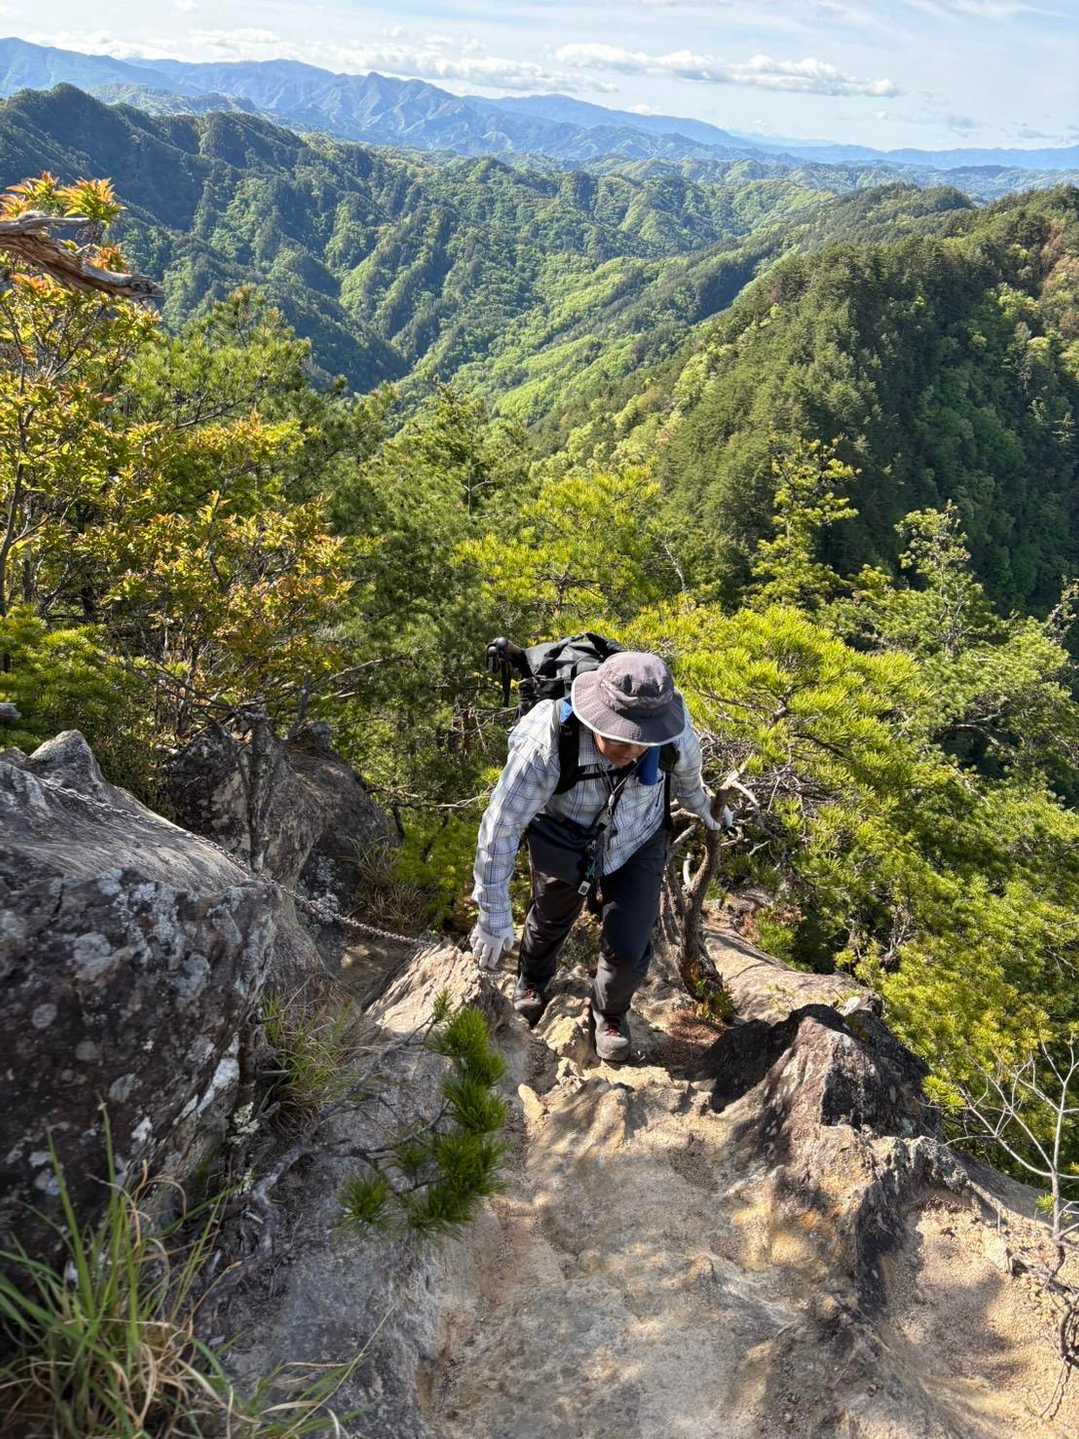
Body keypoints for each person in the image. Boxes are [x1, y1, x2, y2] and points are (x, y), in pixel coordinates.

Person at [470, 650, 722, 1062]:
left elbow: (689, 780)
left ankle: (611, 1013)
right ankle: (532, 979)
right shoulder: (546, 740)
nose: (631, 750)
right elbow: (502, 825)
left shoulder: (671, 732)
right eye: (619, 736)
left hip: (638, 836)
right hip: (564, 834)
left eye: (641, 741)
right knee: (550, 915)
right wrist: (492, 912)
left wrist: (707, 808)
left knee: (630, 940)